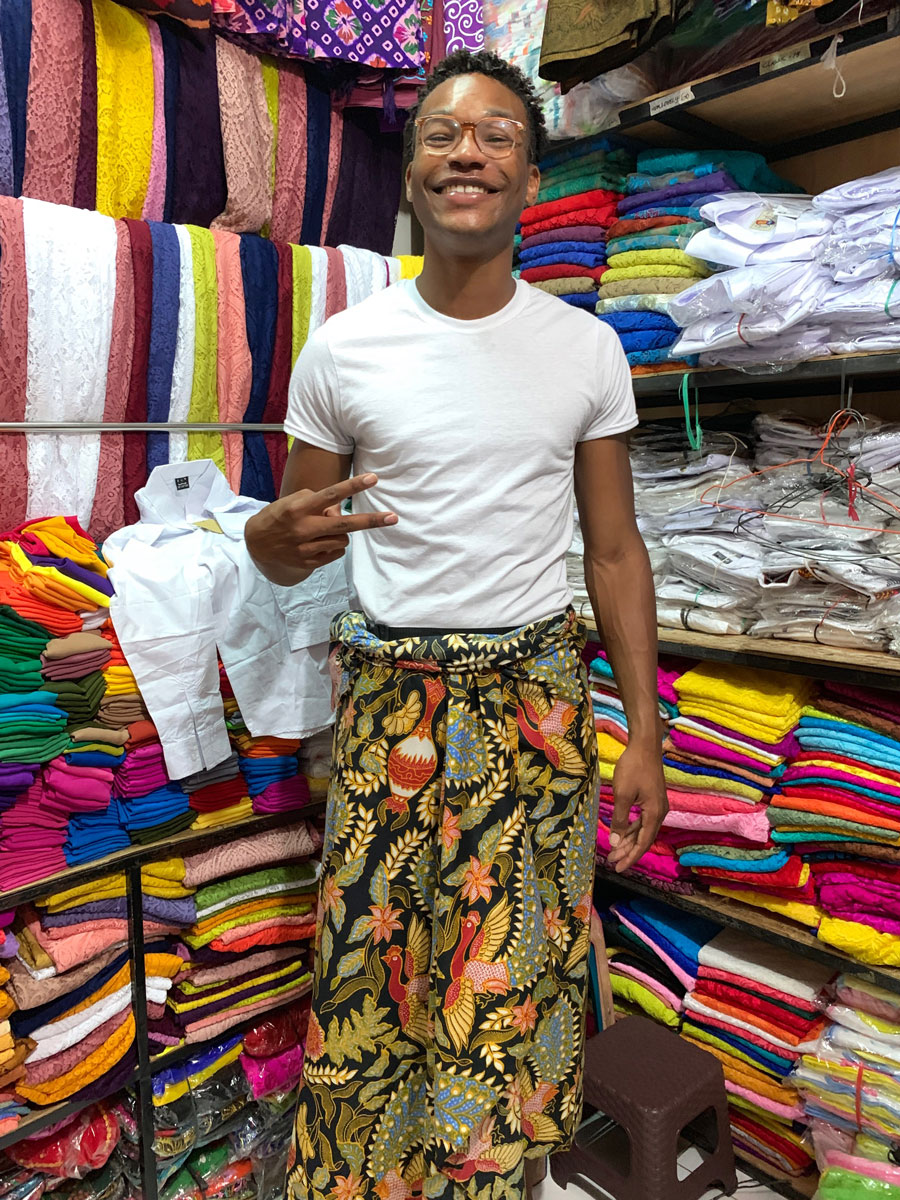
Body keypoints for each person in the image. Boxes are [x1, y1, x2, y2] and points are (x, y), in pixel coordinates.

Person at [244, 48, 667, 1200]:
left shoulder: (585, 350)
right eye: (440, 134)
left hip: (534, 709)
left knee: (512, 987)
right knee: (369, 976)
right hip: (389, 710)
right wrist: (264, 547)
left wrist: (646, 734)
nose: (465, 152)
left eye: (494, 135)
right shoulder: (345, 350)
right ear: (416, 172)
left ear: (530, 177)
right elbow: (289, 535)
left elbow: (616, 552)